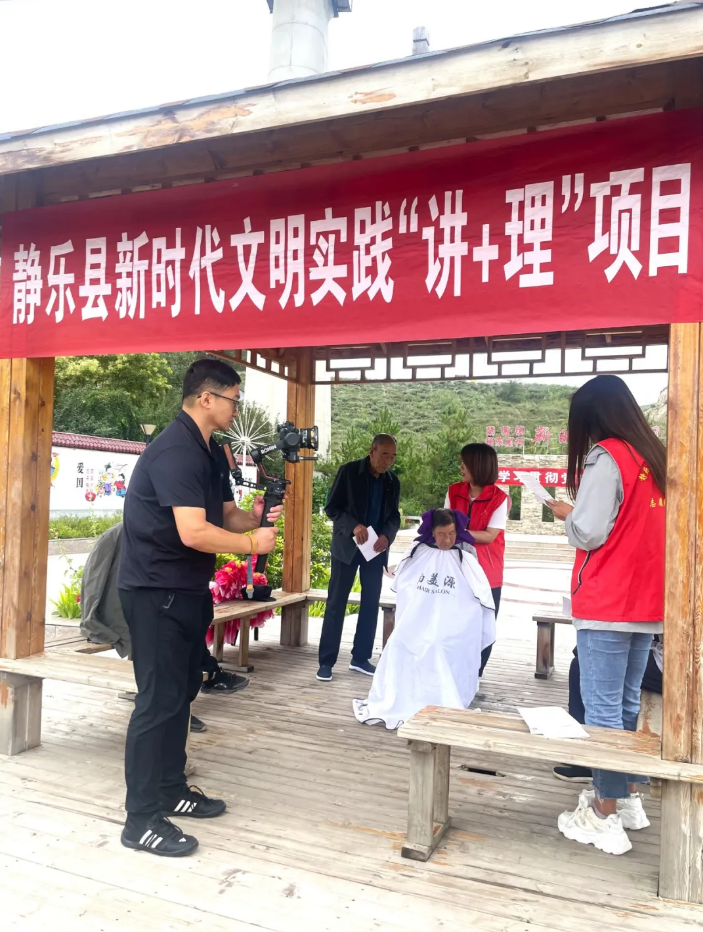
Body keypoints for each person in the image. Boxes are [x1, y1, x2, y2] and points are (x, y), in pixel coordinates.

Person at [117, 358, 281, 858]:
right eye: (233, 399)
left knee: (182, 694)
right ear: (206, 398)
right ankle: (140, 819)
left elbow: (223, 515)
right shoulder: (174, 450)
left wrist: (252, 517)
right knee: (157, 701)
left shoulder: (209, 452)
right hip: (155, 591)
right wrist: (251, 542)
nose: (237, 409)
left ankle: (171, 789)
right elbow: (192, 531)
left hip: (187, 590)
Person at [547, 374, 665, 856]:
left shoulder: (607, 456)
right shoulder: (654, 458)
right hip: (647, 602)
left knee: (600, 709)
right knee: (626, 704)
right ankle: (629, 798)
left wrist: (566, 515)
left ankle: (603, 812)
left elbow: (590, 531)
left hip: (607, 601)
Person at [352, 509, 495, 729]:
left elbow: (479, 598)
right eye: (441, 534)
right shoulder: (417, 552)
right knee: (398, 643)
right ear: (432, 532)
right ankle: (402, 699)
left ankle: (440, 701)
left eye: (451, 533)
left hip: (451, 627)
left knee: (436, 645)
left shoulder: (465, 558)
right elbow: (404, 585)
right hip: (416, 622)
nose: (447, 540)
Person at [317, 434, 401, 682]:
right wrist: (353, 526)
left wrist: (387, 536)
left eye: (393, 457)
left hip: (374, 550)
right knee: (336, 603)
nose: (388, 461)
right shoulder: (349, 472)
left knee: (370, 603)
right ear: (372, 451)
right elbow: (332, 508)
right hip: (347, 548)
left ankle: (361, 658)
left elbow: (394, 517)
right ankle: (326, 662)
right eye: (384, 455)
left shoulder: (392, 481)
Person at [554, 637, 663, 784]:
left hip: (675, 667)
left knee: (582, 664)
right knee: (588, 654)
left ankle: (589, 762)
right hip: (664, 655)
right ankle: (622, 772)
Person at [446, 442, 508, 674]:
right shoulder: (454, 490)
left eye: (465, 463)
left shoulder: (499, 498)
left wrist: (458, 533)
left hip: (487, 572)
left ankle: (476, 673)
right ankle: (454, 670)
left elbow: (490, 535)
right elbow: (444, 523)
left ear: (479, 466)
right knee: (455, 622)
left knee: (484, 625)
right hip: (456, 567)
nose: (461, 467)